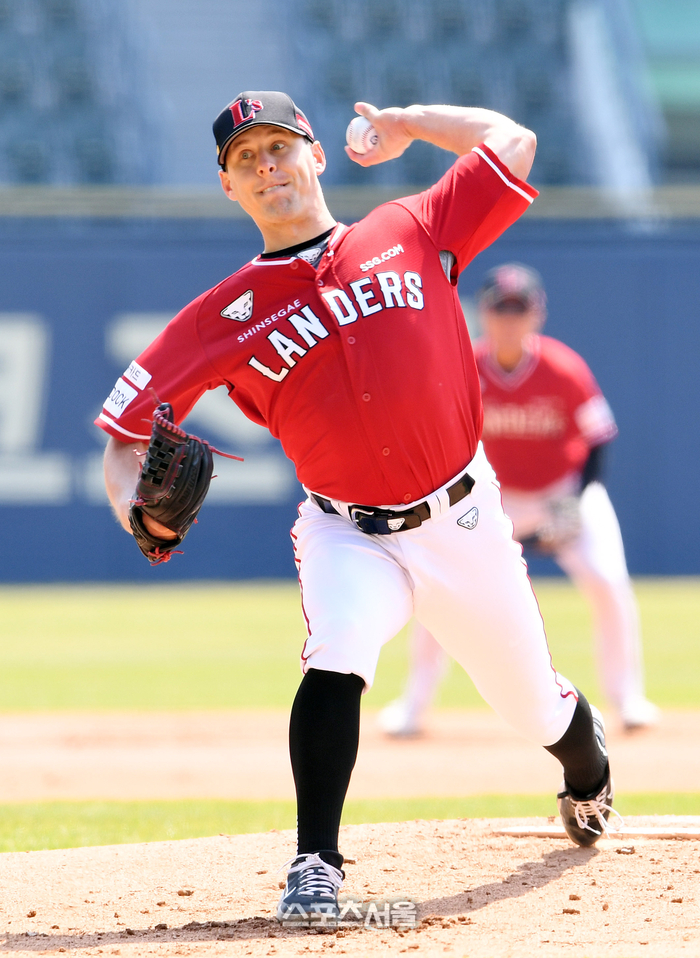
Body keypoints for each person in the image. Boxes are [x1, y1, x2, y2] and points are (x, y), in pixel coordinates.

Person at [97, 91, 616, 926]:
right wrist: (136, 511)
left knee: (533, 706)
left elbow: (513, 140)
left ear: (316, 155)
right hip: (345, 528)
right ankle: (315, 864)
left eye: (279, 147)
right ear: (228, 186)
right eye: (245, 159)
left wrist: (408, 121)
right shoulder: (220, 316)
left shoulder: (409, 227)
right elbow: (124, 437)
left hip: (461, 521)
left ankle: (588, 772)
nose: (266, 167)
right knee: (336, 657)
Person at [380, 263, 659, 738]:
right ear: (482, 313)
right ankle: (413, 705)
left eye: (519, 309)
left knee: (609, 582)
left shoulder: (563, 368)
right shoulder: (463, 367)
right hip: (493, 498)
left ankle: (628, 698)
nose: (509, 319)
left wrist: (577, 501)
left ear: (537, 315)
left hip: (563, 492)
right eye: (500, 309)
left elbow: (598, 439)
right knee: (440, 592)